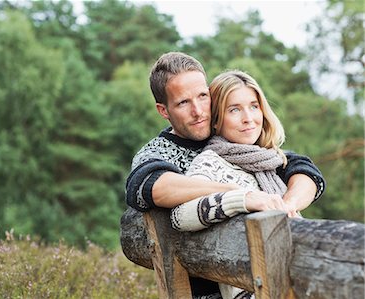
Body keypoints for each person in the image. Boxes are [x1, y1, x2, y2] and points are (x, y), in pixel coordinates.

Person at [125, 52, 325, 298]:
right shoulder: (158, 152)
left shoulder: (229, 135)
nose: (198, 111)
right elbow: (151, 186)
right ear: (163, 110)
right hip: (207, 285)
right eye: (183, 103)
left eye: (202, 96)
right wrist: (239, 194)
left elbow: (299, 167)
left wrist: (286, 207)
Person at [171, 69, 315, 299]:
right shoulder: (211, 162)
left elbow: (309, 175)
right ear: (216, 120)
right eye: (234, 109)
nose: (248, 117)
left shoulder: (269, 161)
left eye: (254, 106)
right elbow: (180, 216)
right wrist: (244, 198)